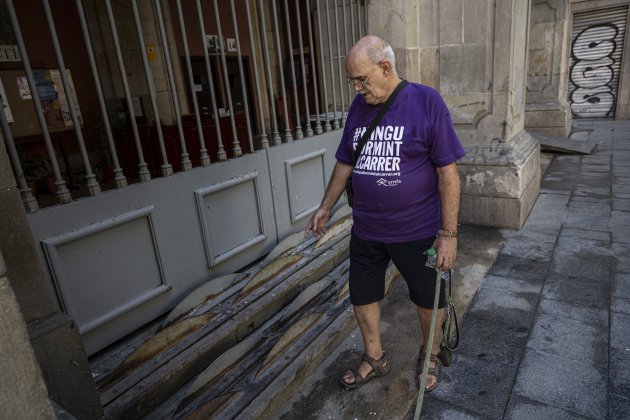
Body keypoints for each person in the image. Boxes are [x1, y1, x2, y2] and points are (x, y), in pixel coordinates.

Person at [305, 35, 465, 393]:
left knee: (429, 298)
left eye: (361, 79)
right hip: (367, 229)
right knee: (362, 293)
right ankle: (375, 357)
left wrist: (448, 234)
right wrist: (325, 206)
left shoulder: (426, 102)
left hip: (417, 230)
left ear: (385, 67)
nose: (358, 88)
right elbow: (345, 161)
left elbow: (448, 174)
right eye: (353, 82)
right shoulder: (359, 107)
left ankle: (430, 354)